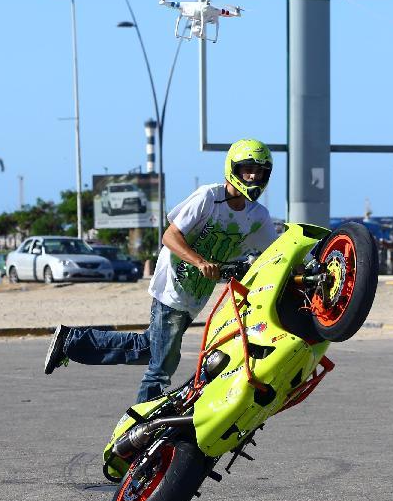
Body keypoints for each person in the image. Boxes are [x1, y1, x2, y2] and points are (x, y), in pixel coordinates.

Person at [43, 138, 277, 402]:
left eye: (259, 172)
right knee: (162, 368)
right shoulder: (209, 198)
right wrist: (200, 262)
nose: (253, 176)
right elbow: (170, 236)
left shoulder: (258, 217)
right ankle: (138, 427)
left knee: (148, 348)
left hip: (195, 295)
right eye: (247, 169)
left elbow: (275, 252)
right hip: (173, 286)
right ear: (232, 169)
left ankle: (73, 341)